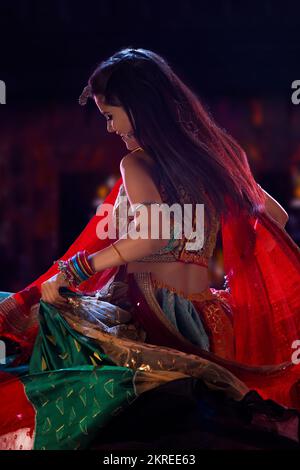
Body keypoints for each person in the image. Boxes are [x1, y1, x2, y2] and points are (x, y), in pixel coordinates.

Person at [0, 47, 300, 450]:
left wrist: (74, 270)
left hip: (154, 313)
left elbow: (154, 235)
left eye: (110, 116)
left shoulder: (138, 162)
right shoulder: (217, 158)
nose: (109, 129)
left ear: (139, 108)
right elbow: (276, 219)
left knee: (35, 332)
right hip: (211, 320)